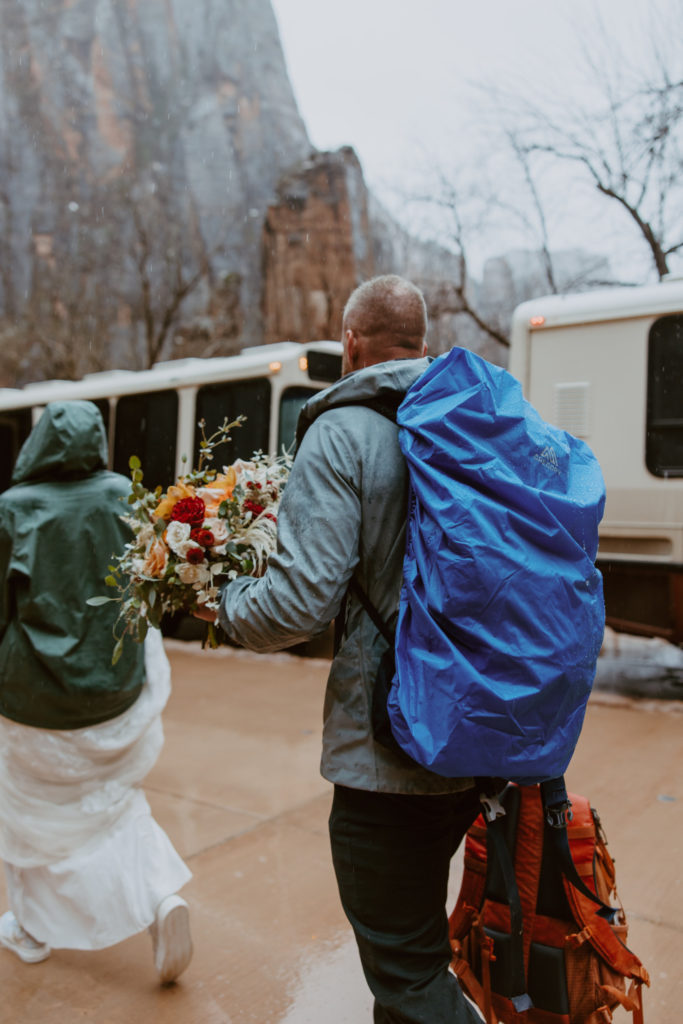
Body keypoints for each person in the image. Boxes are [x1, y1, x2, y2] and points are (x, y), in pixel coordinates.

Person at [197, 275, 482, 1022]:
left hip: (386, 748)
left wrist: (223, 607)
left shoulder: (342, 432)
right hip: (479, 731)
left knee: (409, 973)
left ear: (349, 342)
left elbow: (296, 604)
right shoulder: (472, 417)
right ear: (420, 341)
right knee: (418, 945)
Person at [0, 400, 192, 985]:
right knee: (116, 802)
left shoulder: (13, 510)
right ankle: (160, 894)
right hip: (118, 692)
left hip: (34, 702)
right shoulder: (123, 496)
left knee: (26, 814)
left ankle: (30, 931)